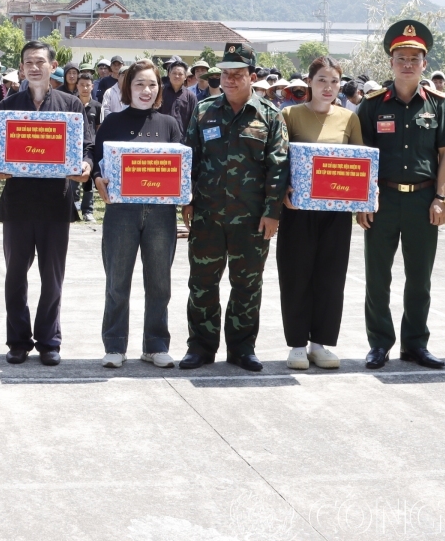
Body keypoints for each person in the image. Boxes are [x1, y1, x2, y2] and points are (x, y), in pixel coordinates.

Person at [355, 20, 445, 370]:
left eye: (414, 59)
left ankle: (415, 344)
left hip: (423, 200)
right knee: (378, 277)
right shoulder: (372, 105)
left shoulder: (439, 104)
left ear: (424, 64)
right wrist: (364, 201)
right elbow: (362, 155)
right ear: (391, 62)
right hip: (382, 200)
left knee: (419, 277)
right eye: (401, 58)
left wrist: (442, 198)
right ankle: (379, 344)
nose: (407, 64)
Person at [177, 43, 287, 372]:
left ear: (252, 76)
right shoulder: (204, 110)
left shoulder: (269, 115)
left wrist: (272, 213)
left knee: (247, 286)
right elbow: (189, 159)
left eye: (238, 74)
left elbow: (278, 167)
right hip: (207, 216)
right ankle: (201, 346)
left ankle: (242, 348)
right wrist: (187, 200)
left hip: (251, 220)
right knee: (202, 283)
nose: (230, 80)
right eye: (225, 74)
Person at [0, 39, 91, 365]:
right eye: (28, 62)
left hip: (55, 203)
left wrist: (85, 168)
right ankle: (18, 340)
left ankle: (49, 341)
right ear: (21, 68)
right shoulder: (8, 106)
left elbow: (85, 150)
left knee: (52, 276)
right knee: (15, 276)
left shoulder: (71, 105)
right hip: (18, 204)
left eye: (40, 62)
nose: (34, 67)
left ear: (52, 65)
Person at [92, 59, 185, 369]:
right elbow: (97, 161)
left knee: (159, 282)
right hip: (121, 212)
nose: (146, 90)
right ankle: (115, 345)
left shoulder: (169, 124)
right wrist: (97, 179)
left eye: (152, 84)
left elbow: (182, 168)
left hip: (161, 213)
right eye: (139, 84)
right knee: (117, 280)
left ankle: (155, 344)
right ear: (127, 88)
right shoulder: (113, 123)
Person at [277, 55, 362, 371]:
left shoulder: (349, 118)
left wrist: (363, 201)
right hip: (298, 210)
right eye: (321, 80)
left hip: (336, 212)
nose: (328, 87)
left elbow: (359, 163)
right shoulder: (290, 115)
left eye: (334, 81)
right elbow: (279, 159)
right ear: (309, 82)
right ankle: (297, 345)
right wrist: (283, 188)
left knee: (330, 276)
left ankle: (320, 344)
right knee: (297, 274)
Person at [74, 71, 101, 219]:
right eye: (82, 85)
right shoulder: (71, 103)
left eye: (87, 85)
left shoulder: (97, 106)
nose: (84, 88)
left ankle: (88, 211)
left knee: (89, 179)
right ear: (77, 86)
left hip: (90, 147)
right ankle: (72, 206)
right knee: (72, 177)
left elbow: (99, 127)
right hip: (74, 146)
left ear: (92, 87)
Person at [159, 58, 197, 133]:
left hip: (182, 138)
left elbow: (194, 120)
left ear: (185, 77)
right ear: (169, 74)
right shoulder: (159, 92)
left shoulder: (190, 96)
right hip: (161, 135)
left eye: (180, 74)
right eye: (174, 73)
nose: (177, 76)